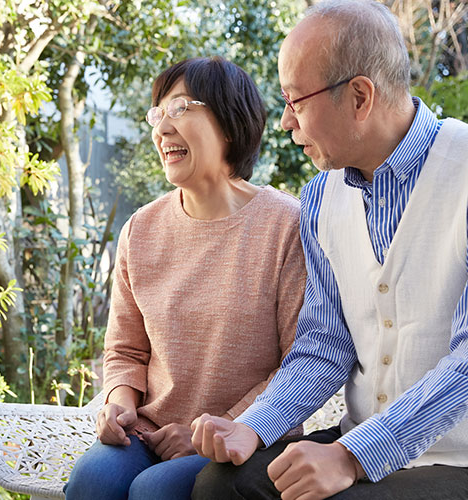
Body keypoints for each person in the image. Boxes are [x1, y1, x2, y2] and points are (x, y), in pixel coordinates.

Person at [190, 1, 468, 499]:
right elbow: (325, 343)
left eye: (295, 100)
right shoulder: (321, 197)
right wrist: (253, 427)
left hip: (458, 457)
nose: (283, 122)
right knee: (221, 486)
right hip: (356, 441)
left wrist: (354, 455)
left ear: (360, 96)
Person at [63, 56, 307, 500]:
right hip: (149, 431)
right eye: (157, 114)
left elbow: (299, 362)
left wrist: (212, 431)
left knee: (156, 491)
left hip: (248, 436)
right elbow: (124, 350)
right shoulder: (142, 228)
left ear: (230, 123)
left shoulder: (287, 225)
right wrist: (119, 405)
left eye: (179, 109)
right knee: (93, 480)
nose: (161, 128)